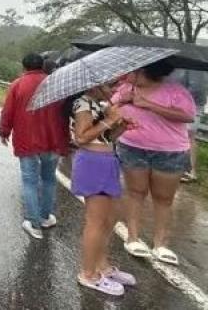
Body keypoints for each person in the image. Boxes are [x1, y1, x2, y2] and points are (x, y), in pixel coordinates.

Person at [113, 60, 196, 265]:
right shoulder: (126, 89)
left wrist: (149, 105)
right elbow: (110, 108)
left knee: (164, 198)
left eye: (131, 70)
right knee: (135, 193)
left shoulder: (176, 92)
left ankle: (161, 244)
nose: (126, 74)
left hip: (169, 152)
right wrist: (123, 101)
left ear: (143, 71)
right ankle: (132, 237)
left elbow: (187, 116)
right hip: (132, 147)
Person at [68, 83, 137, 296]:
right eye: (110, 84)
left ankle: (103, 267)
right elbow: (81, 138)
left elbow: (106, 139)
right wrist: (110, 119)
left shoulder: (99, 105)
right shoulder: (82, 103)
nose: (113, 88)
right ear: (95, 84)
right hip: (92, 162)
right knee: (96, 222)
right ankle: (88, 274)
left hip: (107, 160)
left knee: (110, 219)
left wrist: (121, 126)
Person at [0, 53, 70, 239]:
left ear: (24, 67)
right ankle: (46, 217)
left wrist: (4, 132)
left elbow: (8, 112)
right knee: (48, 179)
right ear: (42, 65)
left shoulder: (17, 85)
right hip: (52, 140)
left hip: (27, 140)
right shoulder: (55, 84)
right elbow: (64, 113)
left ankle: (33, 222)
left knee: (30, 181)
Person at [171, 69, 206, 183]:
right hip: (173, 104)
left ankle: (190, 171)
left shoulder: (192, 65)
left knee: (188, 135)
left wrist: (176, 98)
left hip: (191, 105)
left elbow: (197, 88)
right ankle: (178, 167)